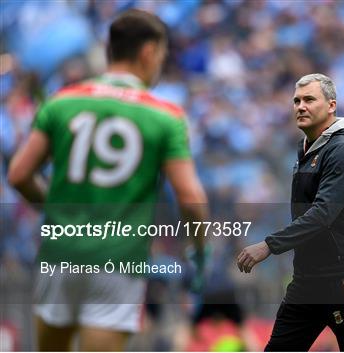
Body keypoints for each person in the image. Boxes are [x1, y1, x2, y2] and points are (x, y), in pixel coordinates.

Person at [8, 9, 208, 351]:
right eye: (160, 56)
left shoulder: (63, 102)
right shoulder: (164, 116)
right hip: (116, 260)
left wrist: (53, 210)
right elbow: (190, 198)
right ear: (148, 52)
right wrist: (199, 247)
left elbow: (19, 174)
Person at [237, 73, 344, 351]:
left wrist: (269, 245)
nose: (300, 106)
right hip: (308, 278)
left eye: (309, 99)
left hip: (343, 274)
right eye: (296, 100)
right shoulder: (307, 148)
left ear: (331, 106)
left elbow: (323, 213)